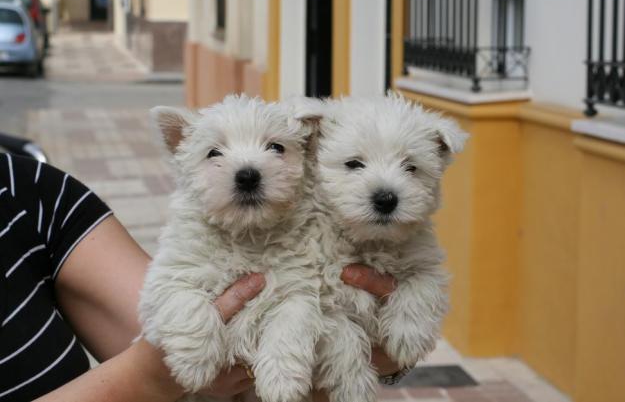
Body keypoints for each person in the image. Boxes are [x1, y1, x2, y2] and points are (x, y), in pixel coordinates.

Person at [0, 153, 400, 402]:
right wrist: (149, 379)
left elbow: (181, 318)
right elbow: (174, 359)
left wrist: (369, 340)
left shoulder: (25, 193)